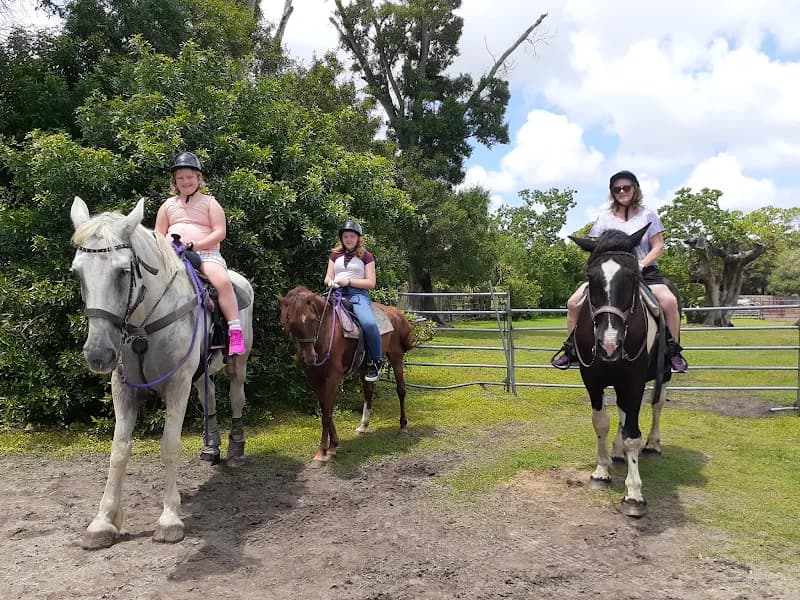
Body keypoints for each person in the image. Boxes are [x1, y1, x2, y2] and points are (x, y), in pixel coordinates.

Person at [551, 170, 688, 373]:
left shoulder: (648, 215)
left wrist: (642, 264)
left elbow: (658, 246)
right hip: (610, 276)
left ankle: (673, 351)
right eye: (617, 189)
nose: (622, 191)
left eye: (626, 187)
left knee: (669, 302)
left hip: (645, 274)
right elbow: (597, 247)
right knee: (573, 303)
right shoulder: (604, 218)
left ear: (635, 189)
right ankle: (572, 350)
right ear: (612, 192)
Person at [155, 151, 245, 356]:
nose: (185, 181)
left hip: (205, 255)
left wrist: (196, 245)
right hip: (171, 256)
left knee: (222, 281)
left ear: (198, 178)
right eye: (180, 178)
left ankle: (235, 330)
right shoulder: (167, 206)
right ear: (175, 181)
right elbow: (158, 233)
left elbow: (220, 232)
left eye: (189, 177)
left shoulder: (210, 203)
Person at [324, 220, 382, 382]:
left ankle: (375, 361)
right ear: (341, 238)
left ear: (358, 238)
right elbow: (327, 277)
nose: (348, 239)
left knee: (369, 324)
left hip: (357, 296)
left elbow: (371, 283)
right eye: (345, 236)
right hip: (336, 294)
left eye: (352, 236)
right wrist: (330, 282)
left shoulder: (366, 256)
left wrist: (348, 281)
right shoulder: (334, 255)